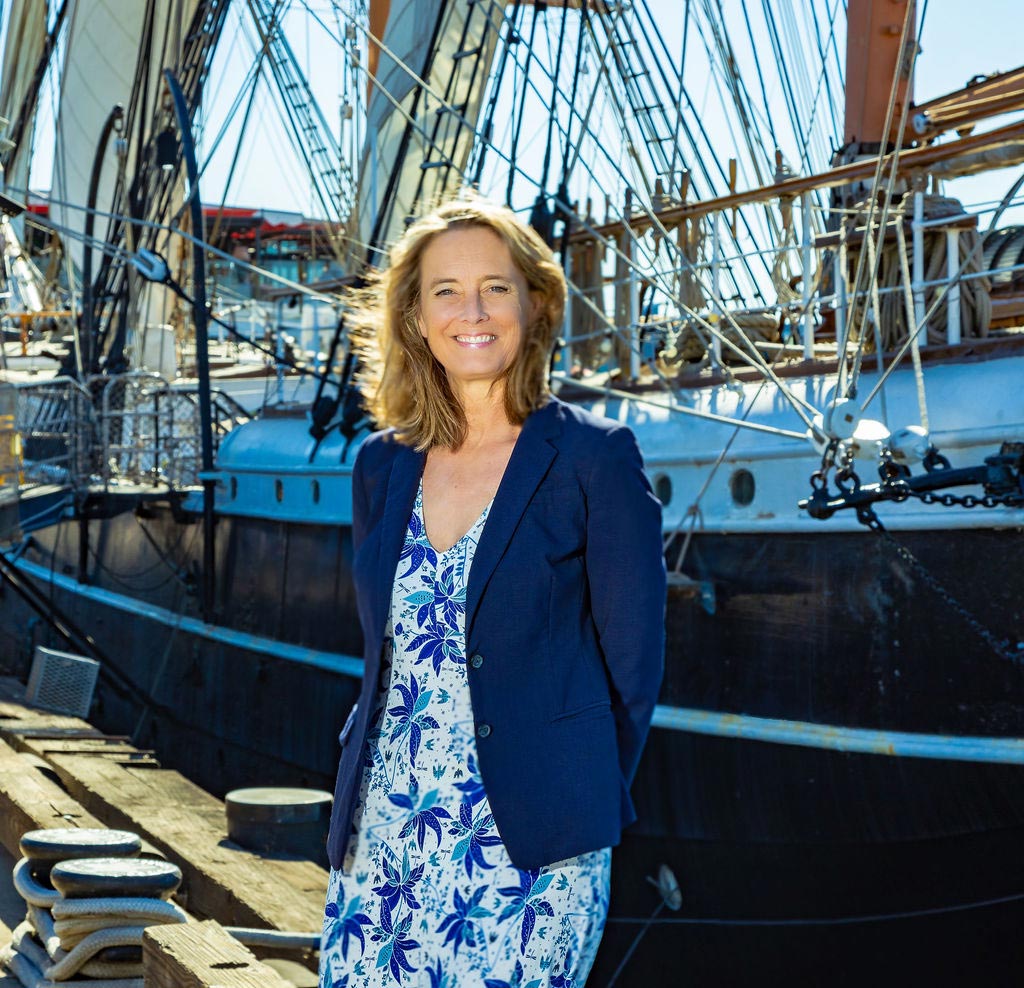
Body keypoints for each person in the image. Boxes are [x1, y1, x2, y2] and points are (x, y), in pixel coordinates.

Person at [320, 196, 666, 988]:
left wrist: (570, 796)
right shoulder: (381, 464)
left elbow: (634, 668)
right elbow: (384, 652)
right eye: (445, 290)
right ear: (413, 314)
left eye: (495, 288)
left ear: (535, 303)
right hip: (384, 830)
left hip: (532, 845)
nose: (470, 311)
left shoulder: (593, 458)